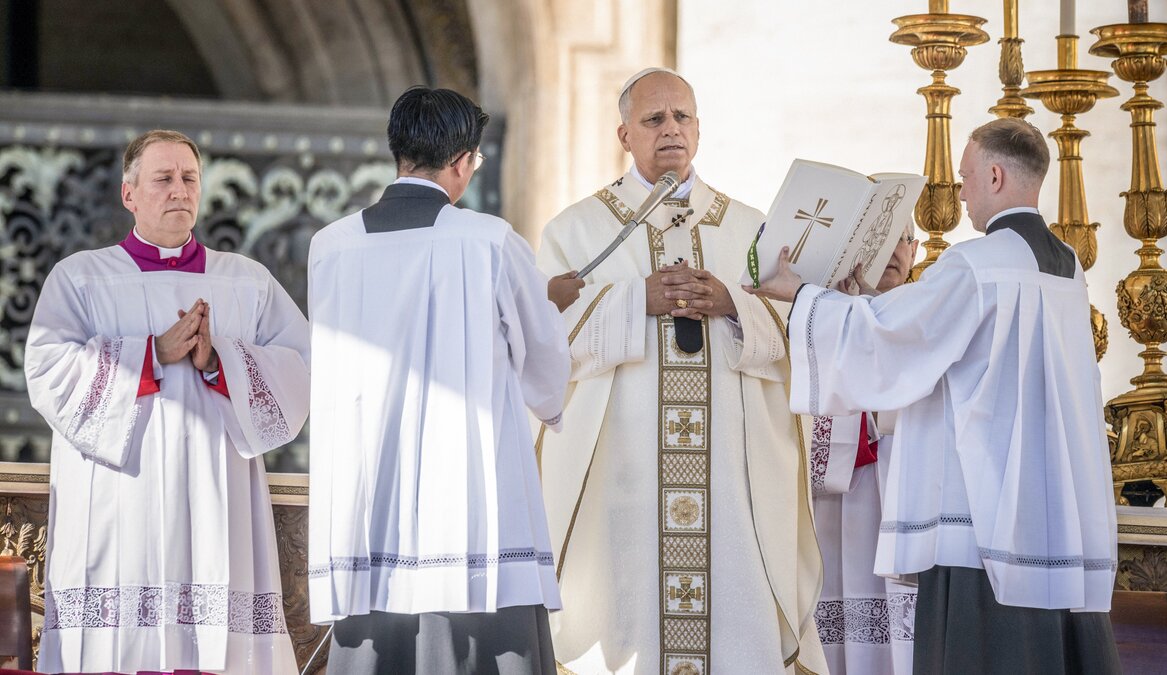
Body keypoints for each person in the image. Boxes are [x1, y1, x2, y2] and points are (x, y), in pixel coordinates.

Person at [747, 117, 1120, 674]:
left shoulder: (975, 264)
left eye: (966, 178)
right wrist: (871, 302)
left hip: (979, 513)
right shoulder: (1067, 266)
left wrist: (802, 295)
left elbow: (899, 341)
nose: (962, 194)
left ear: (995, 176)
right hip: (1052, 503)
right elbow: (932, 338)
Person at [537, 67, 826, 674]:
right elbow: (543, 342)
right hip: (626, 477)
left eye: (682, 117)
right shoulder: (576, 231)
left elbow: (797, 330)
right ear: (624, 135)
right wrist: (631, 301)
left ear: (698, 128)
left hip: (730, 480)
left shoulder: (749, 228)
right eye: (654, 119)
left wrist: (732, 304)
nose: (671, 129)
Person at [306, 86, 570, 675]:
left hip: (368, 498)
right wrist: (549, 312)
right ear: (462, 161)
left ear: (399, 152)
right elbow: (543, 356)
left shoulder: (331, 246)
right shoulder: (489, 241)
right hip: (467, 506)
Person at [25, 130, 310, 674]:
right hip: (119, 499)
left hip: (215, 496)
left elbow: (300, 368)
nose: (179, 189)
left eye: (189, 178)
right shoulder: (81, 277)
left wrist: (220, 360)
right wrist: (151, 354)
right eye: (163, 179)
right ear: (129, 194)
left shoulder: (247, 282)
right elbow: (47, 369)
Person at [812, 223, 920, 675]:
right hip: (842, 496)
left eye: (902, 239)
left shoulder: (928, 311)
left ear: (915, 250)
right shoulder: (823, 315)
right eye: (882, 236)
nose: (892, 250)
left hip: (907, 487)